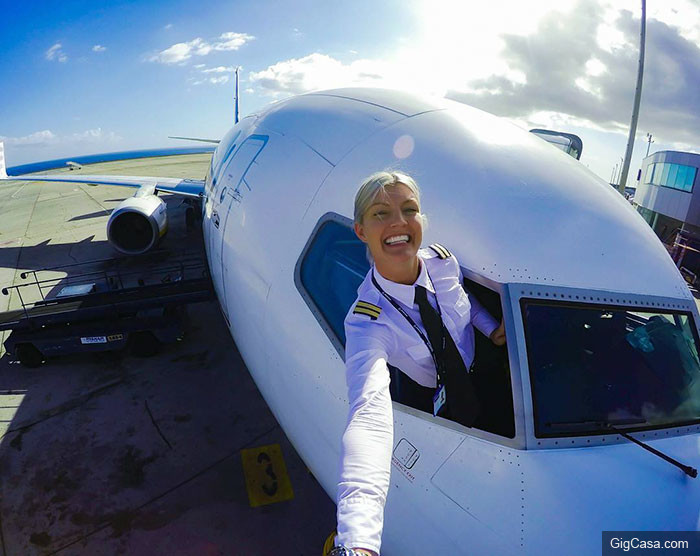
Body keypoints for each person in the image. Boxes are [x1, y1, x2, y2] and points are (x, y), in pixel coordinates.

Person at [331, 171, 505, 556]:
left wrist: (490, 328)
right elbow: (368, 414)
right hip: (430, 394)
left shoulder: (443, 263)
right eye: (381, 213)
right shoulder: (367, 321)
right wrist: (358, 541)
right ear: (361, 231)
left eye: (409, 210)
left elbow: (463, 302)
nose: (398, 222)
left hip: (478, 368)